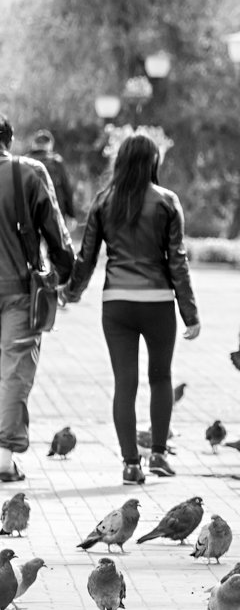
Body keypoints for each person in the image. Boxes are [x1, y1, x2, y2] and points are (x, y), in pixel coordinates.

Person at [62, 133, 200, 485]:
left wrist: (73, 292)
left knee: (125, 382)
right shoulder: (167, 201)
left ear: (119, 162)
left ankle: (130, 464)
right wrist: (190, 314)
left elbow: (87, 257)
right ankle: (157, 454)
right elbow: (177, 262)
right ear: (153, 162)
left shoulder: (104, 201)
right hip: (157, 304)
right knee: (161, 377)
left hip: (117, 304)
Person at [0, 114, 74, 482]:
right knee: (14, 370)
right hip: (17, 290)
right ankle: (3, 456)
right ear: (9, 140)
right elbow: (57, 234)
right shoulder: (27, 173)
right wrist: (65, 274)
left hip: (15, 289)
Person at [25, 129, 76, 223]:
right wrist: (71, 214)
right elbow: (67, 189)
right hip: (55, 215)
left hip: (30, 215)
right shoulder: (56, 162)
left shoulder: (24, 162)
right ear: (50, 145)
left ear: (34, 144)